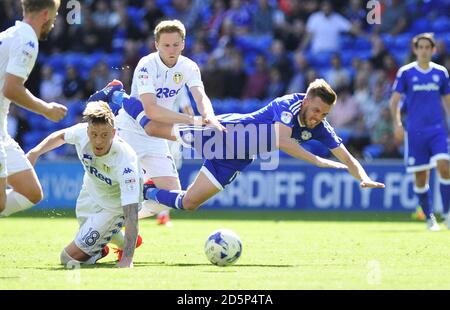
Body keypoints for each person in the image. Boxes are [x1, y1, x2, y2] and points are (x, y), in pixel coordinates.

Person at [95, 78, 385, 212]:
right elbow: (282, 140)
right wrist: (319, 162)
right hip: (226, 134)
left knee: (189, 203)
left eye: (324, 115)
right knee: (156, 128)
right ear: (306, 100)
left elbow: (346, 156)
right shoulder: (289, 104)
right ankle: (119, 96)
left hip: (236, 158)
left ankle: (147, 190)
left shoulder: (318, 126)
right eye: (317, 111)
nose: (318, 118)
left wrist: (363, 177)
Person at [89, 20, 224, 225]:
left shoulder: (189, 67)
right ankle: (118, 97)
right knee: (112, 192)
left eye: (176, 45)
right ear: (156, 45)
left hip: (156, 136)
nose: (171, 50)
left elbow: (200, 96)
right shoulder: (146, 65)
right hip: (130, 129)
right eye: (166, 45)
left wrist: (209, 115)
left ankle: (126, 216)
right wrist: (192, 120)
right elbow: (151, 110)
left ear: (183, 44)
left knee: (170, 196)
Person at [27, 101, 141, 268]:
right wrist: (35, 153)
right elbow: (60, 136)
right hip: (91, 189)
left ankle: (125, 245)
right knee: (86, 229)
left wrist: (128, 260)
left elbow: (131, 215)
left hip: (116, 206)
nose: (98, 141)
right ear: (87, 130)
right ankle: (112, 245)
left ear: (114, 133)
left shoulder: (125, 162)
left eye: (104, 135)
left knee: (67, 258)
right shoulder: (81, 132)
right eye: (93, 134)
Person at [0, 0, 67, 217]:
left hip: (2, 129)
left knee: (31, 193)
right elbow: (11, 88)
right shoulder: (27, 39)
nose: (54, 21)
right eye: (55, 16)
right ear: (46, 15)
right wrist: (46, 109)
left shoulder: (10, 34)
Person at [389, 33, 450, 231]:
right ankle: (429, 217)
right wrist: (397, 124)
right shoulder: (406, 73)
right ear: (415, 50)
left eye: (427, 47)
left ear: (433, 50)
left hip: (437, 130)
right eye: (420, 47)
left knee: (444, 166)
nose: (424, 50)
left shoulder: (441, 73)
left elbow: (447, 102)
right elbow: (394, 101)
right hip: (415, 133)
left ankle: (448, 215)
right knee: (421, 178)